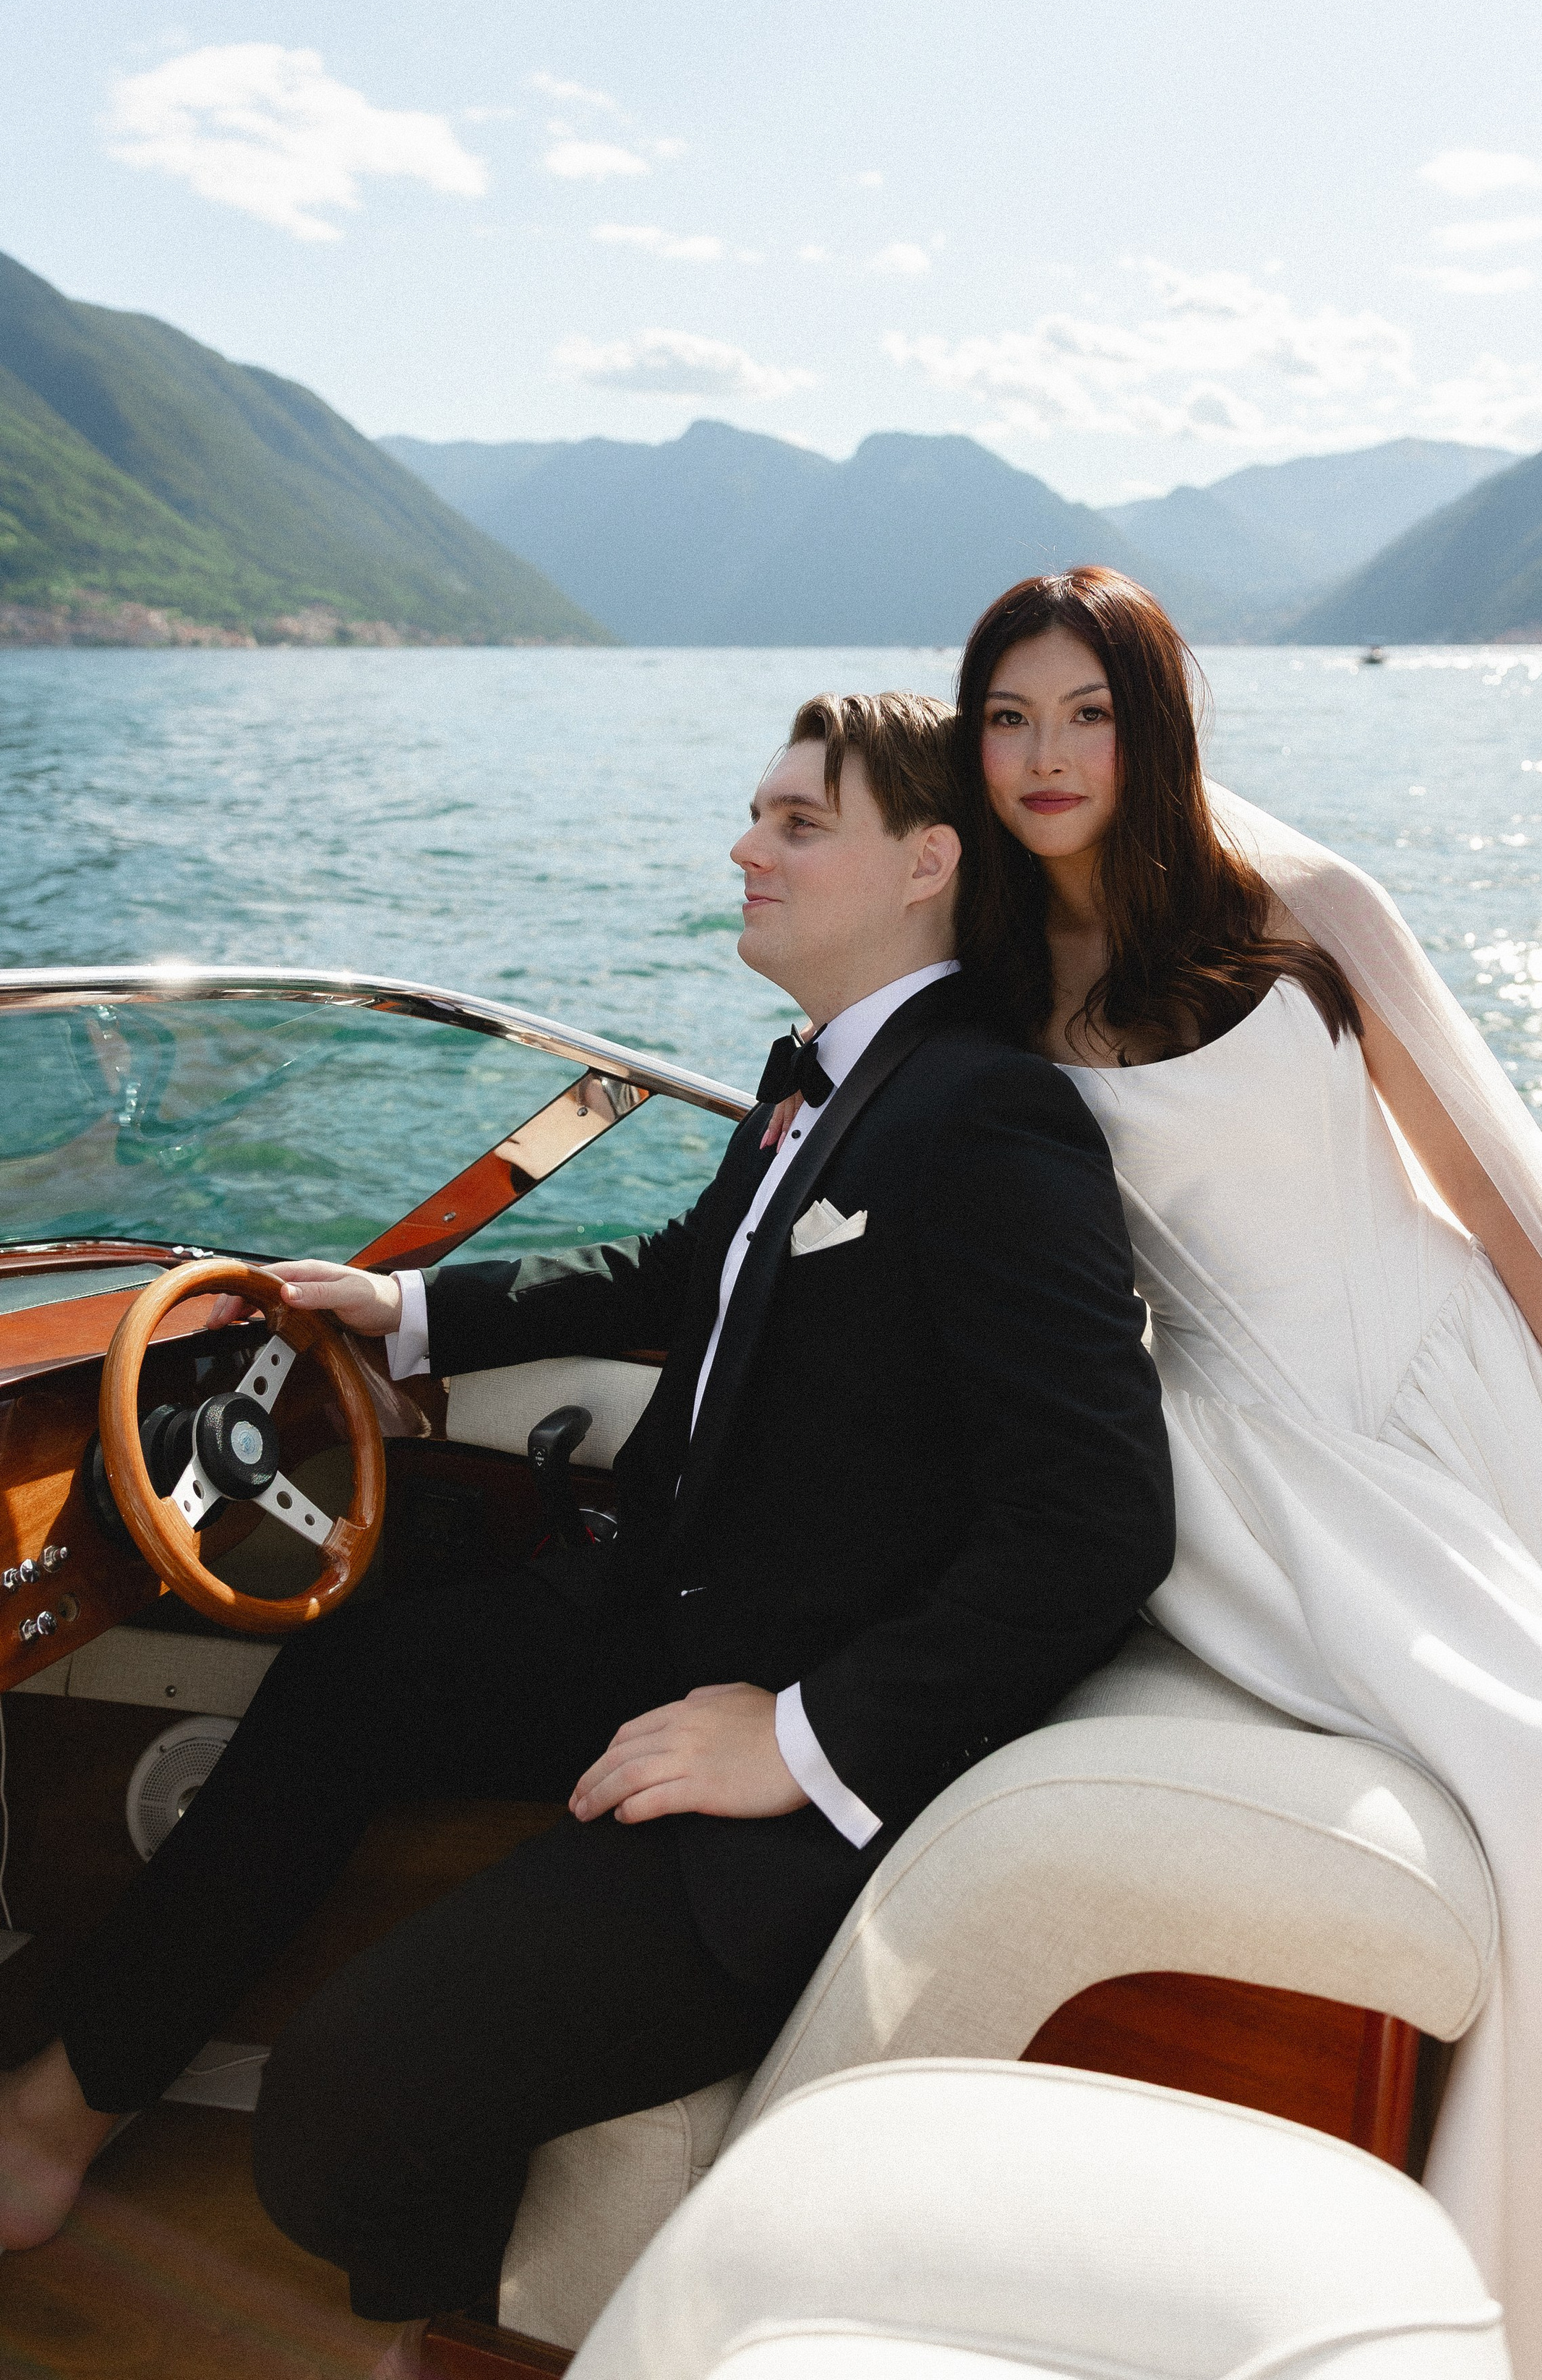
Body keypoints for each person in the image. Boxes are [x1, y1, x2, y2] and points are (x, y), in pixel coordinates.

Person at [0, 688, 1173, 2347]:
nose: (743, 847)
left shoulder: (986, 1118)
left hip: (791, 1755)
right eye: (756, 814)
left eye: (794, 822)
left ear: (926, 862)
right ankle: (57, 2116)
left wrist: (797, 1736)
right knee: (360, 1668)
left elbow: (1097, 1525)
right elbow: (678, 1273)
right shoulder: (825, 1081)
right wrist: (404, 1313)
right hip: (661, 1620)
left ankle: (467, 2339)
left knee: (343, 2109)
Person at [954, 567, 1542, 2380]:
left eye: (1085, 712)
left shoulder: (1302, 909)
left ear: (1152, 722)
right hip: (1258, 1471)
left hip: (1470, 1395)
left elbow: (1495, 1194)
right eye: (1006, 717)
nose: (1045, 755)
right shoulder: (986, 985)